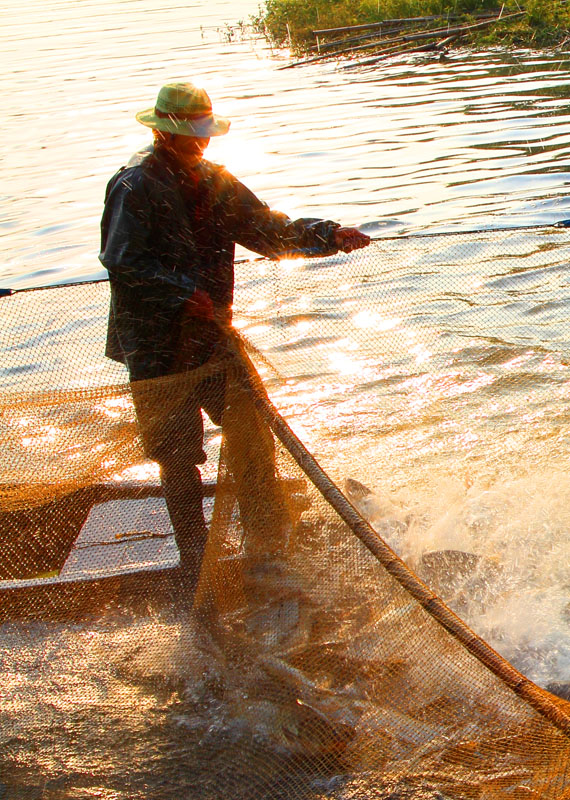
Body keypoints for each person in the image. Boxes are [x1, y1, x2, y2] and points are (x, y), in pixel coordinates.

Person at [99, 82, 370, 597]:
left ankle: (268, 543)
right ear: (160, 132)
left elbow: (266, 230)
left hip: (210, 337)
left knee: (252, 433)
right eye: (186, 135)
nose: (197, 143)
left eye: (201, 134)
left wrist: (329, 235)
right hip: (156, 345)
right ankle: (194, 558)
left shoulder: (215, 181)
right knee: (178, 454)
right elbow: (123, 261)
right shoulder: (133, 186)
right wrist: (185, 294)